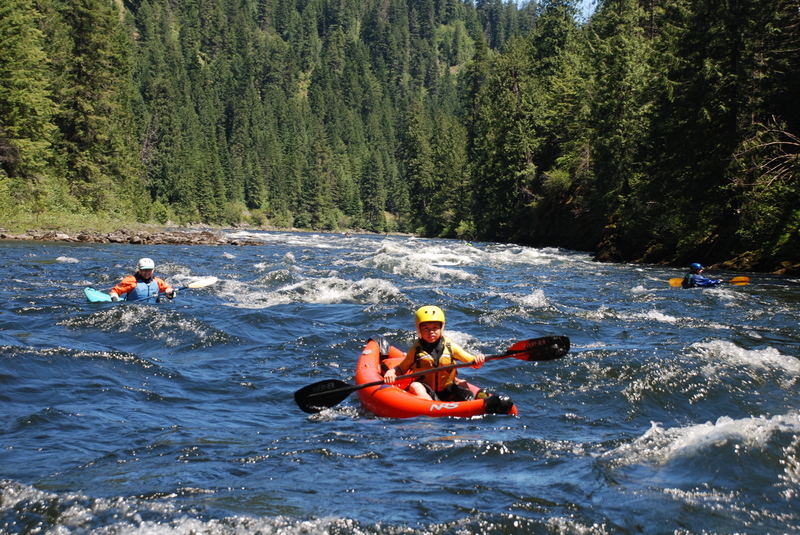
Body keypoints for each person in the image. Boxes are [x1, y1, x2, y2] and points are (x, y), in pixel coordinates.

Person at [383, 306, 486, 402]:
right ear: (419, 330)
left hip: (447, 390)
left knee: (462, 383)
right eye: (426, 328)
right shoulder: (415, 350)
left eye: (435, 328)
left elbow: (470, 361)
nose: (431, 332)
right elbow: (401, 369)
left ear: (441, 328)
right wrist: (391, 372)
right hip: (427, 390)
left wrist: (478, 359)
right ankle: (431, 406)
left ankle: (473, 402)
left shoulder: (451, 347)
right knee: (415, 385)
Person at [109, 258, 176, 302]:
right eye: (144, 270)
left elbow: (169, 295)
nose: (146, 273)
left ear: (152, 270)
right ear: (139, 270)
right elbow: (115, 291)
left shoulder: (158, 282)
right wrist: (115, 299)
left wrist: (170, 293)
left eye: (149, 270)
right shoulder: (131, 281)